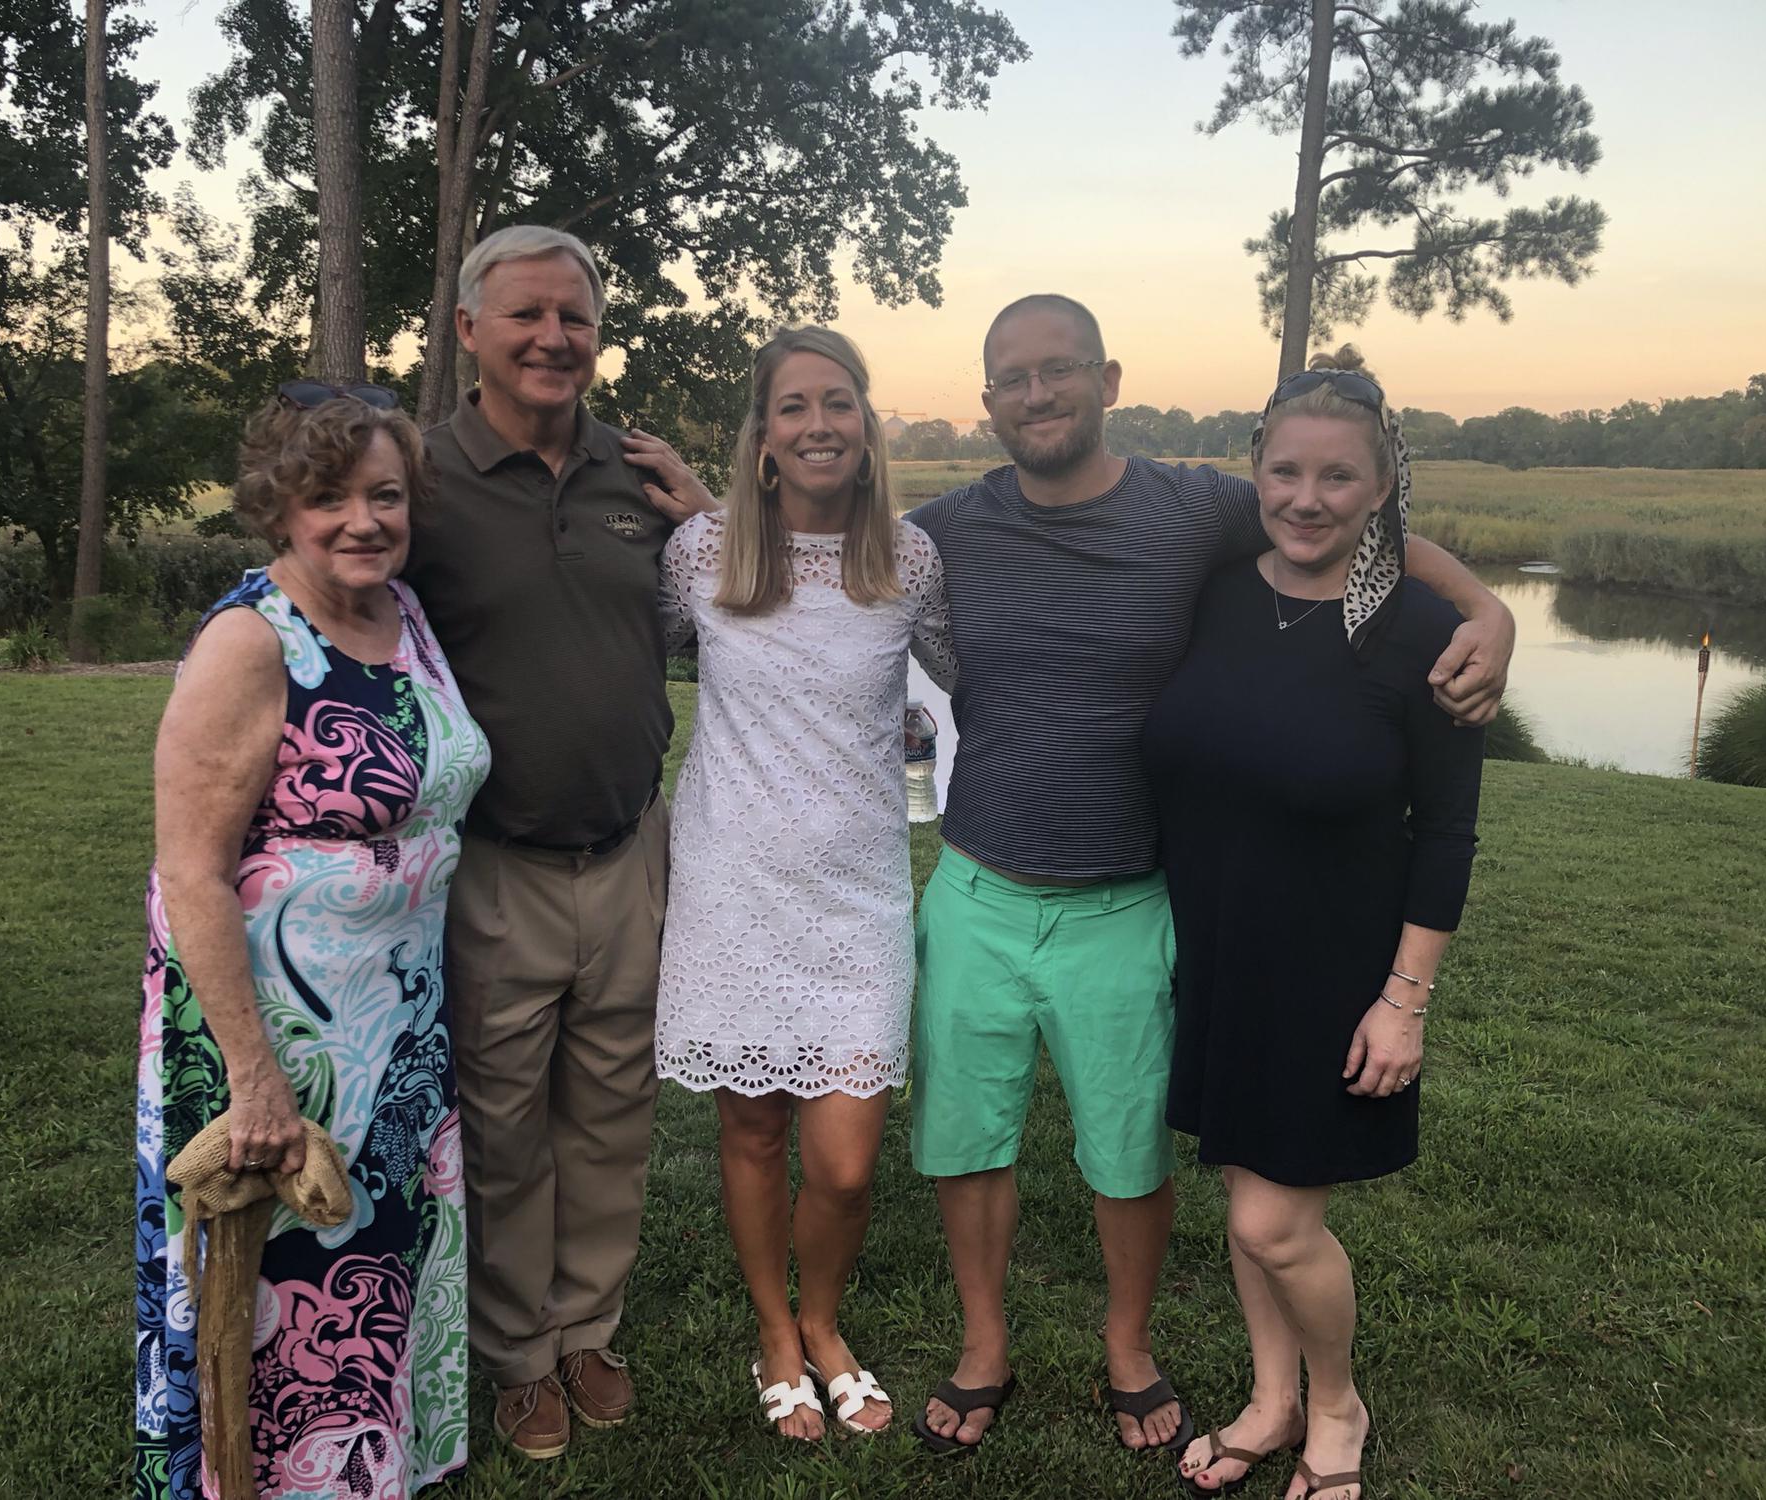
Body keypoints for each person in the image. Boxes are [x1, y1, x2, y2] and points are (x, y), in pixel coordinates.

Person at [904, 296, 1515, 1457]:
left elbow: (1352, 521)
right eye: (1011, 379)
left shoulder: (1200, 508)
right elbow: (822, 536)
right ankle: (984, 1348)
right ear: (985, 401)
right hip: (978, 888)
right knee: (964, 1141)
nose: (1037, 396)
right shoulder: (942, 529)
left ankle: (1130, 1352)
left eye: (1060, 370)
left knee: (1127, 1151)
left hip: (1130, 899)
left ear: (1107, 377)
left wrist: (1484, 608)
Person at [134, 383, 491, 1499]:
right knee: (278, 1292)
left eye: (383, 495)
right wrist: (253, 1082)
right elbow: (189, 870)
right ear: (277, 507)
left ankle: (370, 1470)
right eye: (328, 497)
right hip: (275, 1038)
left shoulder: (404, 615)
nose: (361, 520)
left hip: (396, 1030)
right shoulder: (251, 640)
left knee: (374, 1269)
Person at [1144, 349, 1482, 1500]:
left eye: (1337, 479)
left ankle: (1334, 1405)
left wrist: (1403, 1004)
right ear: (1252, 472)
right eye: (1283, 472)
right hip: (1220, 951)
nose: (1304, 498)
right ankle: (1269, 1396)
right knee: (1246, 1191)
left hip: (1337, 972)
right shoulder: (1218, 587)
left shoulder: (1423, 631)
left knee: (1274, 1222)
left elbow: (1444, 836)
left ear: (1381, 486)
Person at [400, 224, 713, 1464]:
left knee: (611, 1113)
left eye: (573, 317)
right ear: (468, 329)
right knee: (504, 1120)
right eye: (525, 315)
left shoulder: (636, 475)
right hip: (492, 863)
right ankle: (517, 1354)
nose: (552, 338)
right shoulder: (417, 478)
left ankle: (590, 1327)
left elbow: (738, 604)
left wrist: (707, 516)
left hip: (631, 851)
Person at [654, 327, 956, 1441]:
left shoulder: (908, 561)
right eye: (792, 407)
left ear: (867, 426)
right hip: (733, 883)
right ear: (762, 436)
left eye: (838, 402)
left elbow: (973, 682)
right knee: (750, 1130)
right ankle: (779, 1335)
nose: (817, 423)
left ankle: (825, 1319)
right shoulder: (702, 555)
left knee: (841, 1159)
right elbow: (622, 655)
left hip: (855, 892)